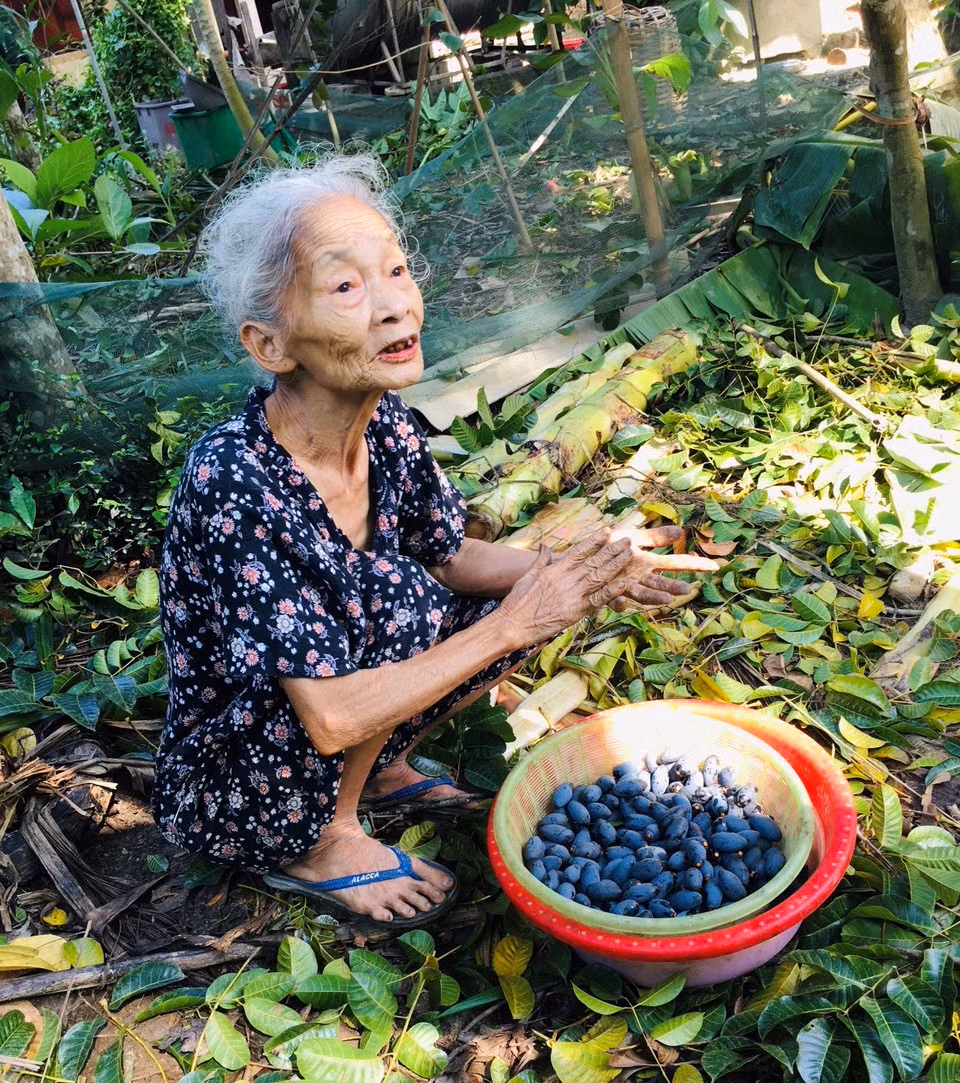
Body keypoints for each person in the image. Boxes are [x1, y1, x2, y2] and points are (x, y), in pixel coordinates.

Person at [153, 154, 716, 928]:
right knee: (415, 603)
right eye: (346, 286)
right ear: (270, 345)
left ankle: (372, 777)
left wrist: (589, 572)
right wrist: (519, 621)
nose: (393, 306)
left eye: (396, 269)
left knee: (476, 593)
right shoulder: (236, 480)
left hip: (323, 718)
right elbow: (328, 717)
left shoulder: (380, 422)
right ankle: (321, 840)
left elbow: (455, 554)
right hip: (237, 778)